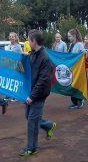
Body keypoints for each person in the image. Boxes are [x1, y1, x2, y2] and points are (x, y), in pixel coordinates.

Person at [18, 29, 56, 157]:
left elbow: (43, 81)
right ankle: (49, 125)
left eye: (29, 40)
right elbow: (28, 68)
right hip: (31, 92)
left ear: (34, 41)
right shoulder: (33, 53)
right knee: (30, 117)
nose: (28, 42)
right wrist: (24, 58)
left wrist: (32, 97)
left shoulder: (45, 58)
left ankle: (31, 148)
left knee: (32, 121)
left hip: (38, 95)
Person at [67, 28, 85, 109]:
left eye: (70, 36)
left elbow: (82, 55)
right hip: (72, 68)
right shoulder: (71, 45)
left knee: (77, 84)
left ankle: (80, 101)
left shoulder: (80, 44)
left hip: (78, 69)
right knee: (72, 84)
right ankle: (74, 102)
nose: (69, 38)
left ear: (74, 36)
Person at [4, 32, 22, 102]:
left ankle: (15, 96)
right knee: (8, 80)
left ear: (15, 38)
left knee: (14, 81)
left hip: (16, 66)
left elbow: (21, 55)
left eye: (12, 37)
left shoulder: (18, 46)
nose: (11, 38)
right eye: (10, 36)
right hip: (8, 66)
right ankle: (8, 95)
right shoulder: (7, 46)